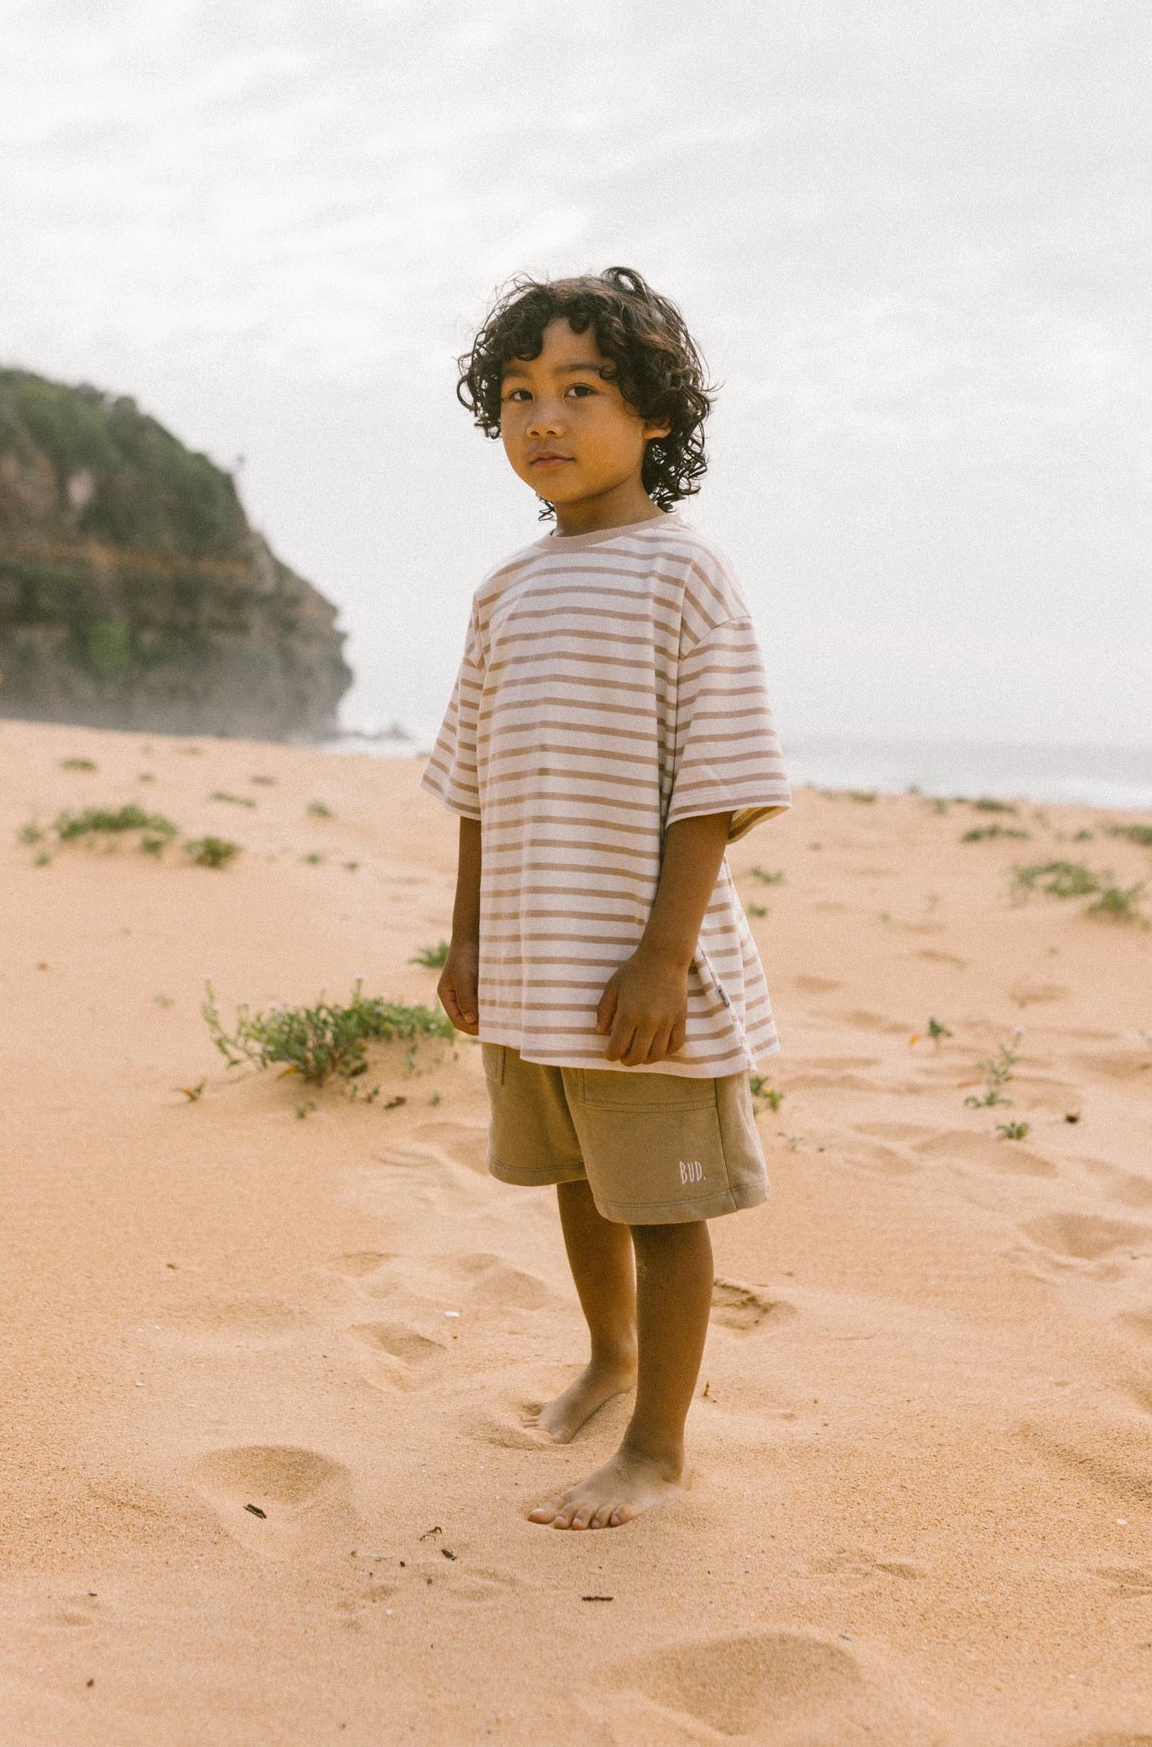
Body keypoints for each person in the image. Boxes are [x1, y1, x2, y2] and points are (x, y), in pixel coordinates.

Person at [424, 267, 790, 1531]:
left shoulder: (683, 575)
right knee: (580, 1180)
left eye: (579, 389)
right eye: (519, 394)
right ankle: (608, 1351)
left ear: (653, 418)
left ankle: (657, 1445)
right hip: (532, 961)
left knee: (662, 1198)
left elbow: (715, 789)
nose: (543, 418)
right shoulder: (504, 591)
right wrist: (467, 938)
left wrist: (658, 957)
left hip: (645, 971)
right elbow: (476, 781)